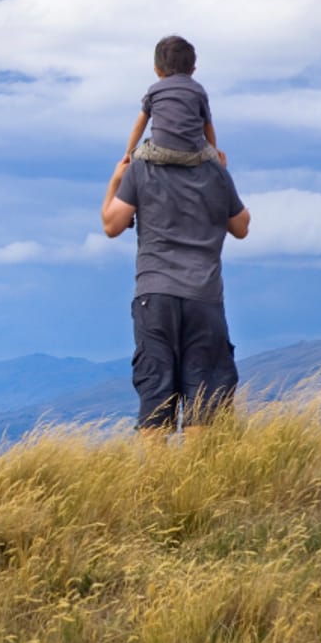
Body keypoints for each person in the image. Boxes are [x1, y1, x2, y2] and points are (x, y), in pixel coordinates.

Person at [101, 109, 250, 442]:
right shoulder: (215, 174)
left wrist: (115, 182)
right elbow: (241, 227)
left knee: (156, 393)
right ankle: (197, 484)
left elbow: (112, 225)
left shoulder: (140, 170)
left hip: (154, 296)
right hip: (204, 297)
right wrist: (224, 174)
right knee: (205, 397)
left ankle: (158, 487)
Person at [122, 35, 221, 168]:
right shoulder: (198, 91)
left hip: (159, 152)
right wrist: (214, 154)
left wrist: (129, 152)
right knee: (216, 158)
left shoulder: (154, 90)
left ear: (156, 69)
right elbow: (207, 125)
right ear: (193, 70)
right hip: (192, 154)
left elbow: (140, 123)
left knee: (136, 157)